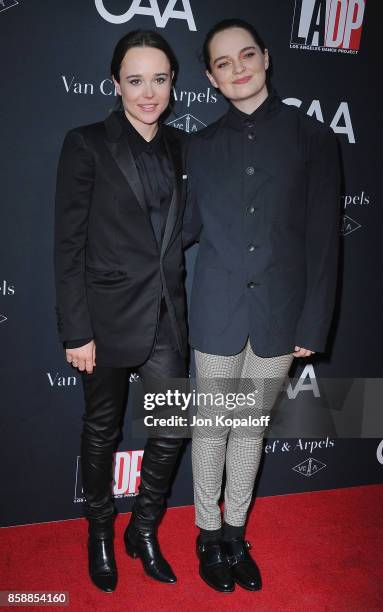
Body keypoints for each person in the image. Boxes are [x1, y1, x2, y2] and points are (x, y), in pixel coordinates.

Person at [183, 18, 340, 593]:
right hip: (216, 311)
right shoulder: (199, 147)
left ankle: (233, 533)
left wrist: (313, 321)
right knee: (210, 430)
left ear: (266, 58)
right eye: (223, 63)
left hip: (281, 314)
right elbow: (186, 228)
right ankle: (205, 534)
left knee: (249, 430)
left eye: (246, 55)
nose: (238, 68)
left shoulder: (313, 138)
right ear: (211, 77)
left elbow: (324, 240)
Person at [54, 30, 189, 593]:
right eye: (135, 80)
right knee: (101, 431)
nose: (148, 92)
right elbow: (68, 244)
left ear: (173, 83)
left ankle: (146, 528)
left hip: (168, 317)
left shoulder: (184, 145)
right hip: (105, 318)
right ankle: (101, 533)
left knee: (171, 426)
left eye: (159, 79)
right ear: (116, 85)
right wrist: (75, 328)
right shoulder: (86, 143)